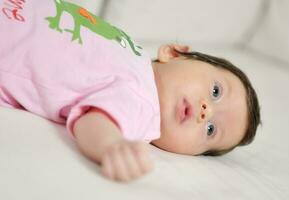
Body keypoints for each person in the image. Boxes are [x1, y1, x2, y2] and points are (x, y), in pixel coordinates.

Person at [0, 0, 261, 182]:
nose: (206, 112)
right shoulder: (133, 52)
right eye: (216, 91)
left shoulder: (143, 108)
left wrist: (111, 144)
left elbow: (93, 121)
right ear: (174, 53)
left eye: (211, 130)